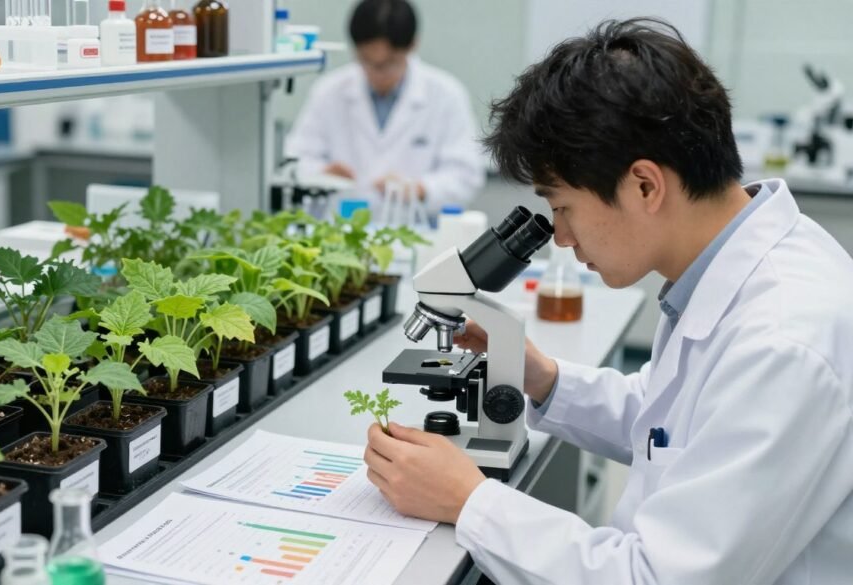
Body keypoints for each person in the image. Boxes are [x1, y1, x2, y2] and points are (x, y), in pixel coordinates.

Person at [363, 18, 853, 585]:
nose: (560, 238)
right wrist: (545, 378)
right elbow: (670, 423)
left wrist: (468, 500)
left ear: (645, 185)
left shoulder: (784, 341)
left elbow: (655, 578)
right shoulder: (734, 268)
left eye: (562, 207)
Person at [285, 0, 485, 219]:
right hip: (341, 225)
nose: (377, 72)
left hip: (415, 227)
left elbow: (466, 175)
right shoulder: (328, 92)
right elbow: (295, 162)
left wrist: (419, 189)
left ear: (412, 46)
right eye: (366, 61)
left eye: (388, 63)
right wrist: (321, 175)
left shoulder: (446, 95)